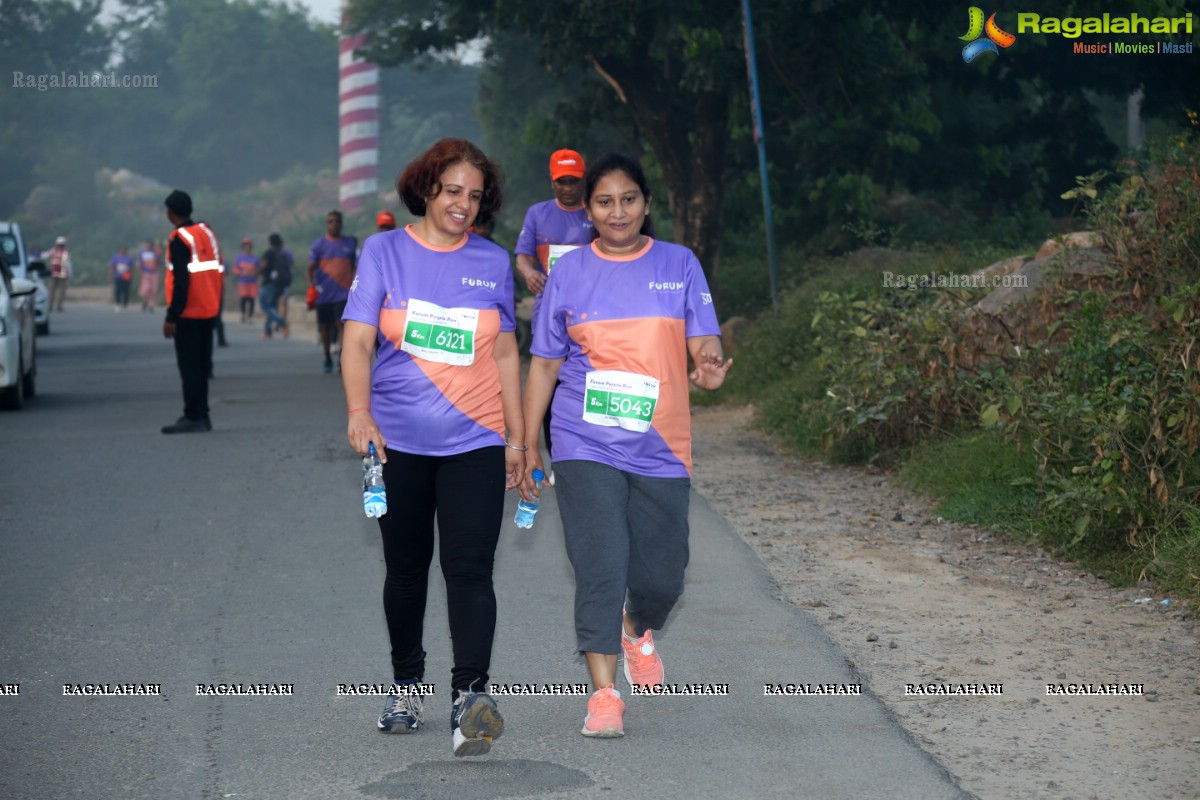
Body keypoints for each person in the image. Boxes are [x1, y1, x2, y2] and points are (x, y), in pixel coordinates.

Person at [520, 152, 732, 738]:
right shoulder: (568, 272)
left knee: (663, 576)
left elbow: (703, 337)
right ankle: (604, 695)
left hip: (662, 444)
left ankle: (638, 627)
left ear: (645, 203)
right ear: (587, 210)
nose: (618, 212)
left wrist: (708, 364)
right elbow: (543, 365)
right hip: (583, 440)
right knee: (599, 562)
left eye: (629, 199)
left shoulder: (679, 263)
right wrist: (527, 443)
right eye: (605, 201)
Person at [340, 138, 523, 757]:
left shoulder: (494, 262)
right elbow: (360, 341)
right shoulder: (383, 251)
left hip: (477, 438)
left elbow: (504, 352)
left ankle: (471, 699)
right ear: (426, 189)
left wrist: (521, 439)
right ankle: (406, 684)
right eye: (452, 192)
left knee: (471, 570)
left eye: (475, 197)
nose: (462, 206)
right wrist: (359, 413)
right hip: (397, 444)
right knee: (406, 570)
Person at [513, 149, 593, 485]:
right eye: (562, 181)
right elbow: (522, 257)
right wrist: (530, 273)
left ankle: (587, 453)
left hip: (590, 315)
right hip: (549, 315)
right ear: (552, 181)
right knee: (551, 387)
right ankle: (556, 455)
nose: (569, 188)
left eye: (574, 181)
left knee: (584, 385)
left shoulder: (595, 214)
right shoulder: (538, 214)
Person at [161, 189, 224, 434]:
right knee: (201, 366)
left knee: (189, 368)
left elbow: (181, 281)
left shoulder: (180, 238)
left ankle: (193, 415)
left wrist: (171, 315)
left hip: (188, 313)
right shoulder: (206, 232)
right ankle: (202, 415)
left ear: (170, 212)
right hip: (209, 309)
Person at [307, 210, 357, 372]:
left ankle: (342, 359)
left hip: (343, 293)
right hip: (324, 294)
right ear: (326, 224)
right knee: (325, 328)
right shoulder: (319, 245)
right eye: (330, 221)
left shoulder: (349, 243)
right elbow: (310, 268)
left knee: (342, 326)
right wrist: (312, 287)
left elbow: (356, 267)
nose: (333, 224)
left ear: (341, 224)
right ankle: (327, 358)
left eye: (336, 221)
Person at [258, 234, 290, 339]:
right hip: (280, 284)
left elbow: (263, 266)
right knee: (272, 307)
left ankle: (282, 323)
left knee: (265, 306)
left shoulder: (269, 253)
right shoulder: (282, 253)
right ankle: (267, 331)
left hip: (268, 283)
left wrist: (257, 272)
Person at [232, 237, 259, 322]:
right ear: (243, 247)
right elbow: (235, 268)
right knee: (243, 299)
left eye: (249, 245)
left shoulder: (255, 258)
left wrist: (255, 273)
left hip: (252, 282)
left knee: (251, 300)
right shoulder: (239, 257)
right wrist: (240, 273)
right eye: (245, 245)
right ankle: (243, 314)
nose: (247, 247)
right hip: (243, 282)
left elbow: (258, 269)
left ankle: (250, 316)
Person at [47, 236, 72, 311]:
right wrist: (70, 274)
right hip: (62, 274)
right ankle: (59, 306)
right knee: (61, 291)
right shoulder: (65, 253)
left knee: (51, 291)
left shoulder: (52, 251)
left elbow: (46, 257)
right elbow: (68, 264)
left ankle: (50, 306)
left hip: (53, 274)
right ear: (64, 244)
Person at [138, 240, 161, 311]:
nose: (150, 246)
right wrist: (140, 272)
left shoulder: (156, 253)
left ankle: (151, 305)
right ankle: (145, 301)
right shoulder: (142, 253)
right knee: (145, 289)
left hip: (154, 273)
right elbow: (139, 263)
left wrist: (158, 255)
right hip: (145, 273)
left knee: (153, 290)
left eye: (151, 245)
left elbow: (159, 263)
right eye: (149, 245)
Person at [109, 245, 134, 311]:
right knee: (118, 291)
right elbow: (112, 266)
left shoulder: (129, 258)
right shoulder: (115, 257)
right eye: (121, 249)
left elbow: (131, 267)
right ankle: (118, 303)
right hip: (118, 276)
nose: (123, 251)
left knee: (126, 291)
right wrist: (110, 275)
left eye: (124, 249)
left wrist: (131, 275)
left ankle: (125, 304)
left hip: (126, 276)